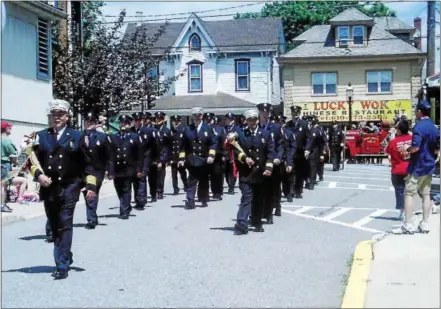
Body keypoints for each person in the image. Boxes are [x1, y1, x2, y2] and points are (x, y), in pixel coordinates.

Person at [29, 99, 98, 280]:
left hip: (70, 187)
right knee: (54, 226)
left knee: (64, 224)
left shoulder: (77, 136)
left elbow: (88, 163)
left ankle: (61, 265)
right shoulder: (41, 136)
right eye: (54, 114)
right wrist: (38, 176)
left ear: (67, 117)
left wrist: (91, 185)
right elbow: (30, 161)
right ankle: (65, 254)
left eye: (60, 114)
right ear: (50, 117)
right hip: (49, 188)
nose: (57, 117)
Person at [393, 100, 440, 234]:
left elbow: (416, 147)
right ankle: (424, 223)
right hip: (429, 165)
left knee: (409, 193)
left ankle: (408, 224)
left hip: (417, 166)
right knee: (426, 195)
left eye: (416, 110)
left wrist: (408, 150)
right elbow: (437, 146)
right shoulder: (433, 127)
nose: (415, 112)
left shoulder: (418, 127)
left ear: (420, 111)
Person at [232, 109, 274, 235]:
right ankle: (241, 224)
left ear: (257, 120)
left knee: (259, 199)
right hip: (246, 172)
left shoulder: (265, 134)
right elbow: (236, 151)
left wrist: (268, 168)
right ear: (246, 121)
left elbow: (270, 153)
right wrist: (245, 158)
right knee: (246, 198)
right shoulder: (240, 134)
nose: (252, 122)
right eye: (249, 120)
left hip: (260, 173)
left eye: (254, 120)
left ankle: (257, 222)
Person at [81, 110, 115, 229]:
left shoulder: (103, 137)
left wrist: (110, 171)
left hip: (97, 171)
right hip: (83, 171)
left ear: (95, 123)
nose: (89, 123)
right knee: (87, 193)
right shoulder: (80, 136)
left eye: (91, 121)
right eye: (87, 121)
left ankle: (91, 219)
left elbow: (109, 155)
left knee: (92, 192)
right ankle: (92, 215)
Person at [178, 107, 217, 209]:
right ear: (192, 116)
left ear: (202, 116)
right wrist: (182, 159)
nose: (197, 117)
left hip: (204, 159)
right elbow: (183, 146)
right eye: (195, 115)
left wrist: (211, 156)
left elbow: (213, 143)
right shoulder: (187, 129)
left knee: (204, 181)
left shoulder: (208, 128)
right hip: (193, 159)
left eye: (199, 115)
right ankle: (190, 201)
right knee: (192, 181)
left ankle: (203, 199)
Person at [109, 114, 144, 219]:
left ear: (129, 124)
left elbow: (140, 155)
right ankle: (126, 206)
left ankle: (124, 211)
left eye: (126, 123)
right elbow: (110, 156)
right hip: (117, 169)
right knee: (119, 189)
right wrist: (110, 171)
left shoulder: (135, 137)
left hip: (129, 168)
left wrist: (139, 169)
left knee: (126, 189)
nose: (123, 125)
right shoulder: (114, 137)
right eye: (122, 123)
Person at [385, 119, 412, 221]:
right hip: (411, 168)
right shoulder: (413, 138)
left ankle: (402, 212)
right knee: (410, 191)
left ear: (399, 130)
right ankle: (410, 211)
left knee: (399, 191)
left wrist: (392, 137)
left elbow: (386, 152)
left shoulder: (393, 142)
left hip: (398, 169)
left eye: (396, 128)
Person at [286, 106, 309, 199]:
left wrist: (307, 149)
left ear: (299, 113)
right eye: (293, 113)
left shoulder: (304, 124)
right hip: (290, 152)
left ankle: (298, 191)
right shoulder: (288, 125)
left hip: (300, 152)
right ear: (291, 113)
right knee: (290, 173)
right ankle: (290, 191)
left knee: (300, 173)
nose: (295, 114)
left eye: (297, 113)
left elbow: (308, 138)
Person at [153, 111, 170, 200]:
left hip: (162, 156)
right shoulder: (153, 129)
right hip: (153, 156)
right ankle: (154, 191)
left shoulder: (167, 131)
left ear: (163, 120)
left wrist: (164, 160)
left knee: (161, 175)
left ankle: (160, 191)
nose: (158, 120)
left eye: (160, 118)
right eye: (157, 118)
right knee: (153, 175)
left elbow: (168, 146)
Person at [1, 121, 18, 212]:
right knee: (3, 186)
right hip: (4, 164)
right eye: (9, 127)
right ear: (6, 128)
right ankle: (2, 205)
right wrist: (17, 163)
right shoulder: (6, 140)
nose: (10, 129)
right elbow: (13, 154)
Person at [169, 115, 187, 194]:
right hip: (173, 155)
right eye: (174, 121)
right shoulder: (171, 131)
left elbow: (184, 145)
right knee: (173, 173)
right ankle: (175, 188)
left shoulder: (183, 130)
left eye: (177, 121)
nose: (175, 123)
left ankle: (186, 185)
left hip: (180, 155)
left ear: (179, 121)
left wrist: (182, 158)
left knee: (182, 172)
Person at [224, 112, 241, 195]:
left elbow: (240, 137)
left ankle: (231, 186)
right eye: (227, 119)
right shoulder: (224, 129)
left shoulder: (237, 129)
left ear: (233, 120)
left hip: (234, 152)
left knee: (233, 170)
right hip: (225, 153)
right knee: (226, 171)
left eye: (230, 120)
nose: (229, 121)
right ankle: (228, 183)